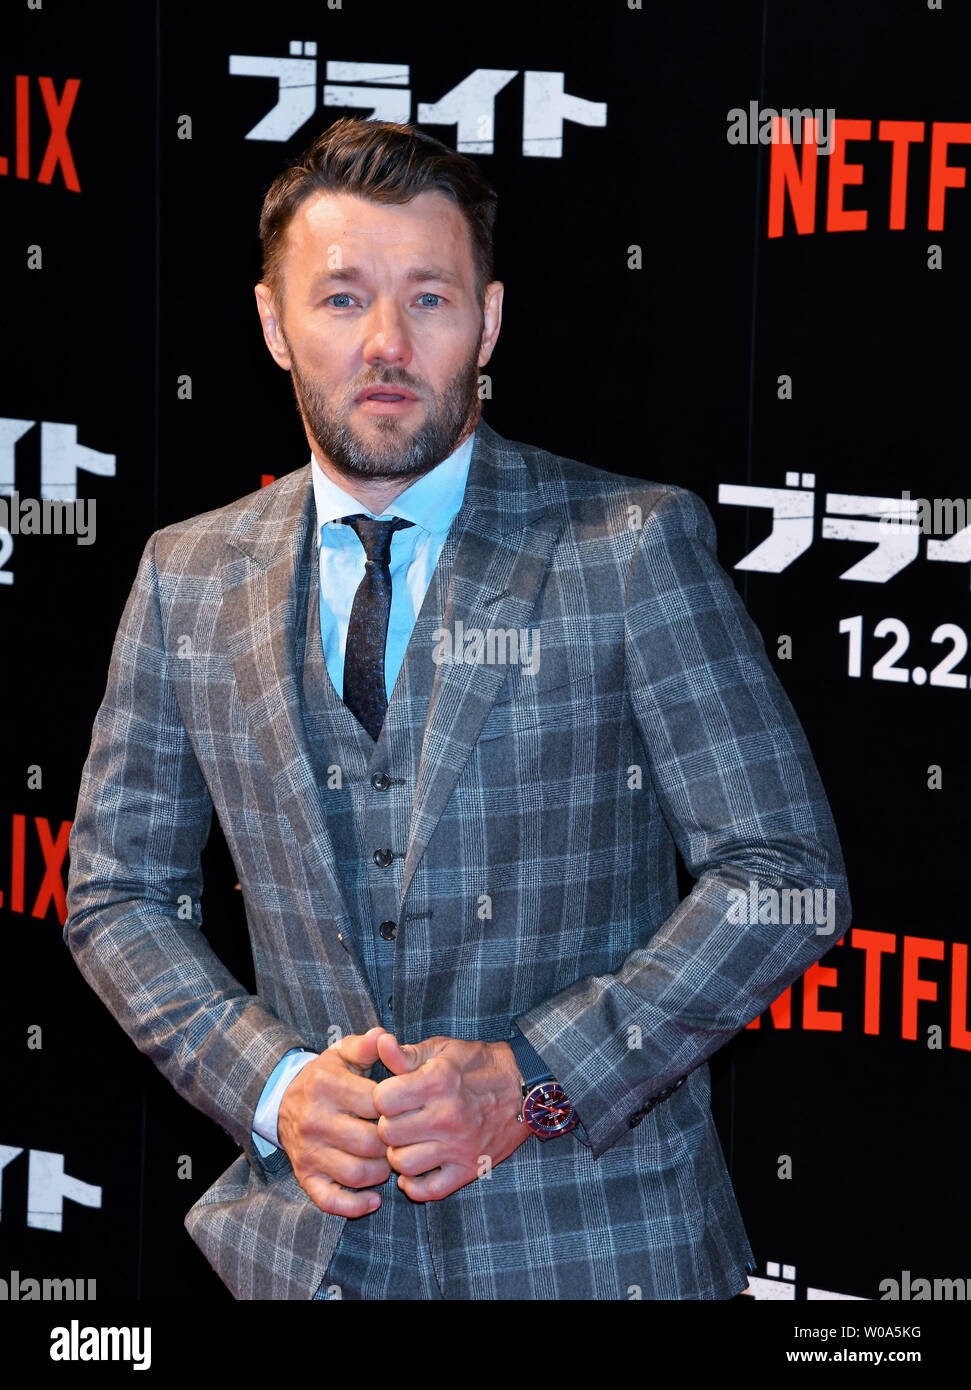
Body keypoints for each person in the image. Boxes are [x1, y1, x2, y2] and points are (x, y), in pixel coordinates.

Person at [64, 116, 850, 1301]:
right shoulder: (188, 575)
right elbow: (116, 890)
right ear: (273, 324)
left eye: (428, 298)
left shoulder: (629, 547)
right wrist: (271, 1086)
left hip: (597, 1256)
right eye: (340, 299)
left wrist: (531, 1080)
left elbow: (782, 872)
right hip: (315, 1256)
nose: (385, 341)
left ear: (486, 321)